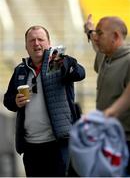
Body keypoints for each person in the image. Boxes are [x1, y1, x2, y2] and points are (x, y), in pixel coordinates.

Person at [3, 25, 85, 177]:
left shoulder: (57, 63)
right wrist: (15, 101)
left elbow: (80, 74)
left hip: (58, 143)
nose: (36, 43)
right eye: (32, 40)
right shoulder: (21, 69)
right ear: (26, 46)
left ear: (49, 43)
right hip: (30, 147)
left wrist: (65, 61)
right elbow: (7, 101)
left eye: (40, 39)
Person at [84, 14, 130, 175]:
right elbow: (97, 45)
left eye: (100, 33)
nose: (96, 37)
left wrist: (109, 114)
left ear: (116, 36)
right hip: (109, 140)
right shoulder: (107, 56)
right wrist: (89, 31)